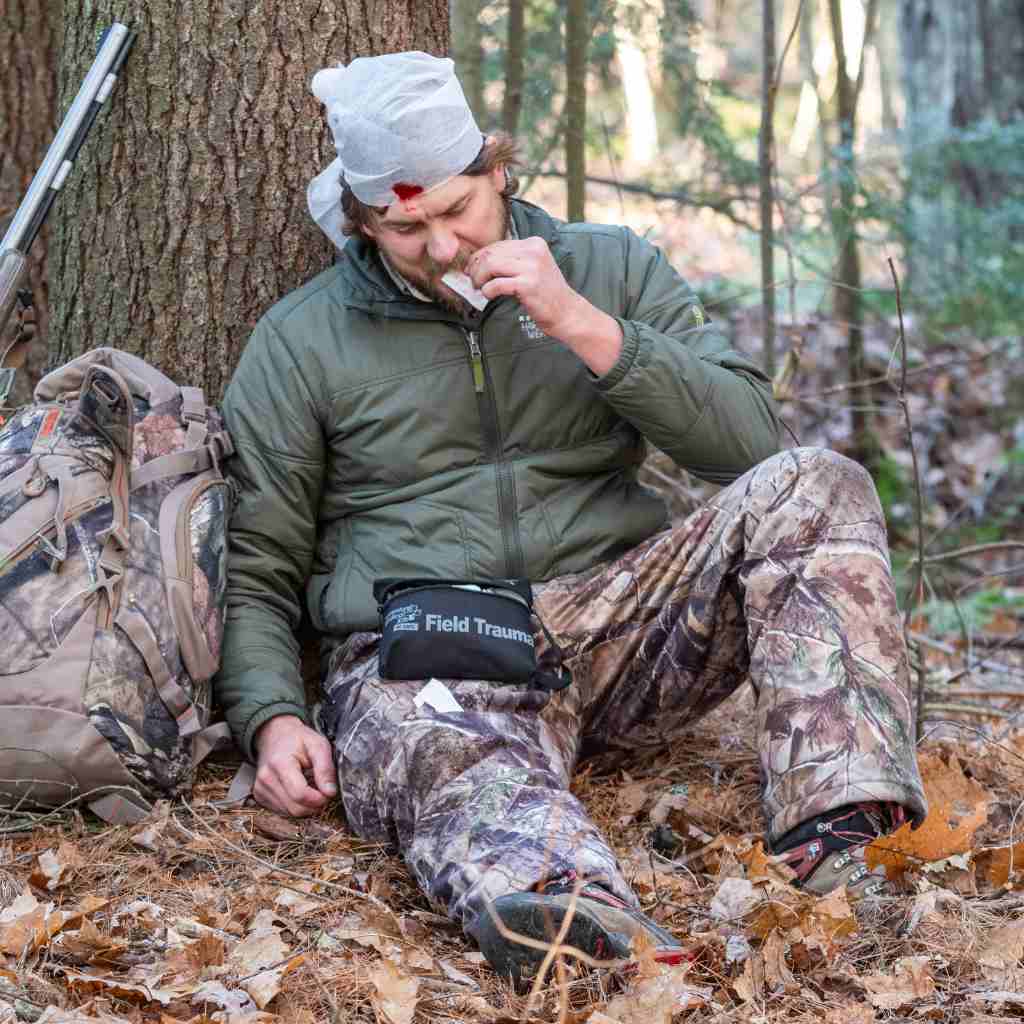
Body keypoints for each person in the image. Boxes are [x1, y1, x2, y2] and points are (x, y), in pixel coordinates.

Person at [215, 52, 927, 986]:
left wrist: (581, 323)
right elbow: (257, 563)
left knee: (817, 482)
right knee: (420, 736)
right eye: (405, 228)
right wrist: (270, 717)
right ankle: (569, 906)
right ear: (362, 220)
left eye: (459, 211)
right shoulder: (301, 339)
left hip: (621, 625)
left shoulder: (609, 266)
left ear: (498, 172)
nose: (441, 247)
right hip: (436, 651)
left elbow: (753, 445)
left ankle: (843, 831)